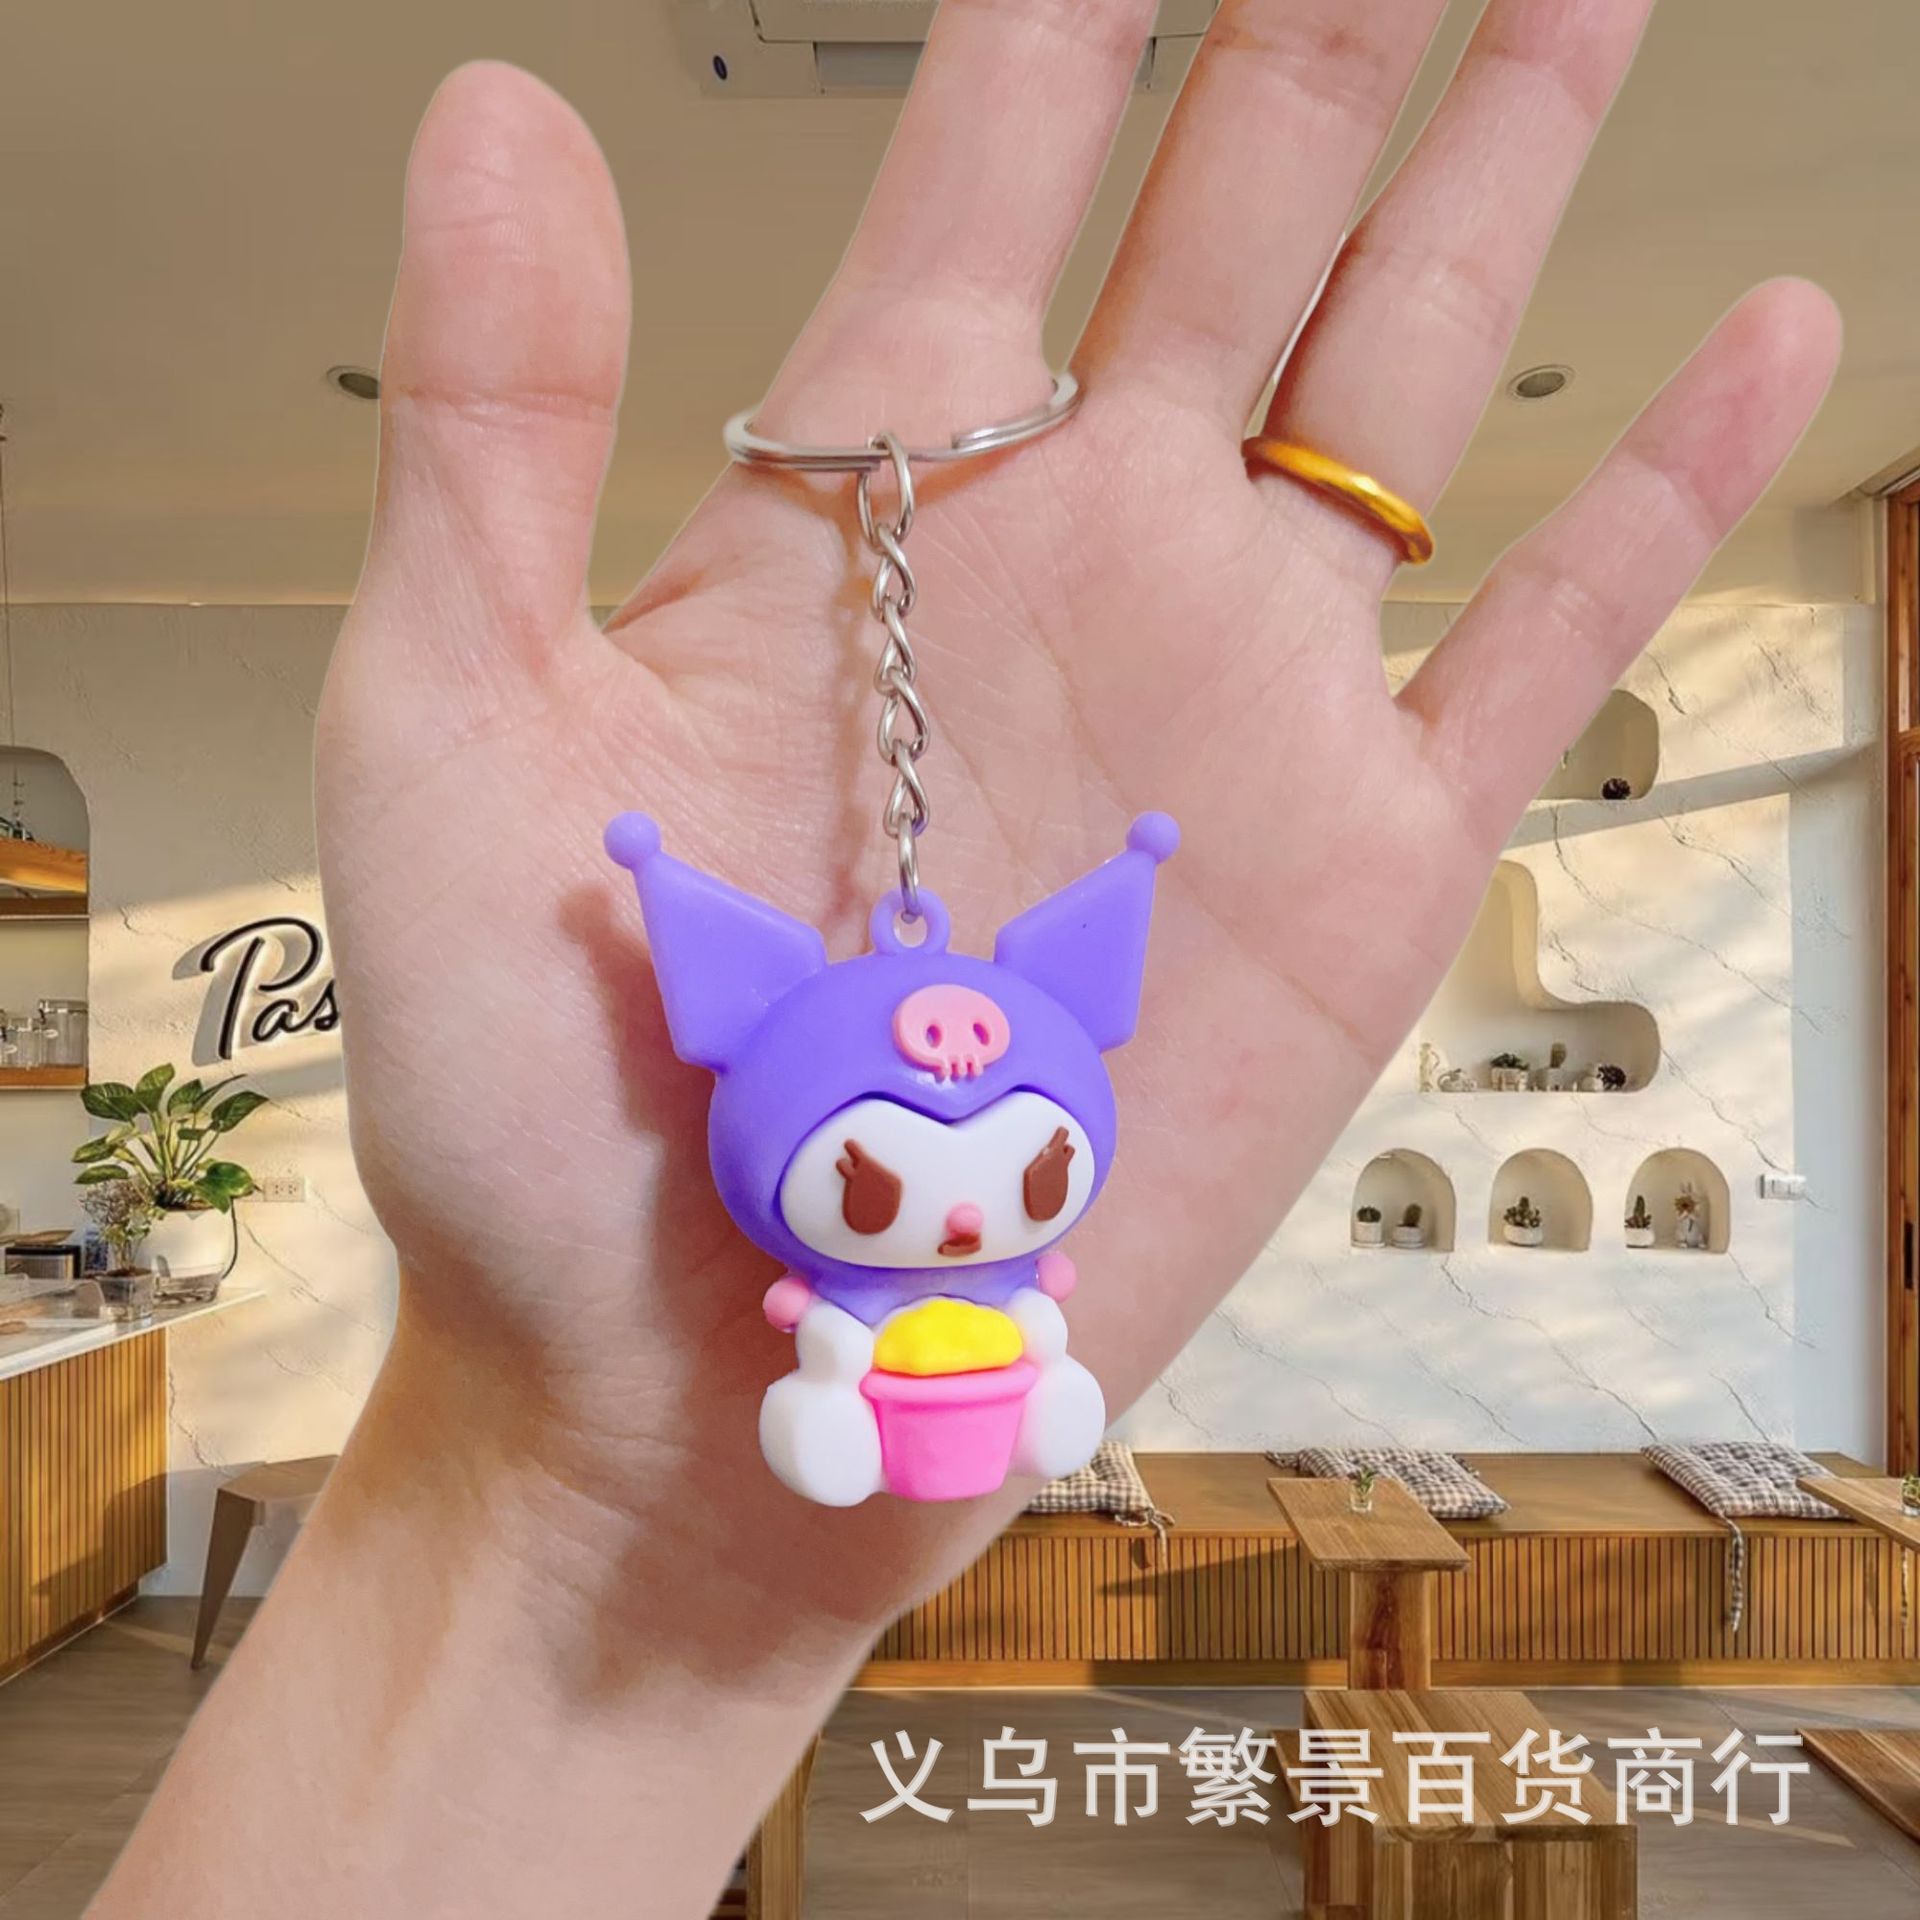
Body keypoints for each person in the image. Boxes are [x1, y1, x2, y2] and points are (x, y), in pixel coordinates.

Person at [89, 3, 1837, 1914]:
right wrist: (564, 1489)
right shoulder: (810, 1166)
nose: (953, 1194)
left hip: (974, 1372)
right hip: (860, 1381)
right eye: (880, 1182)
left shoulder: (1012, 1167)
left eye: (1010, 1169)